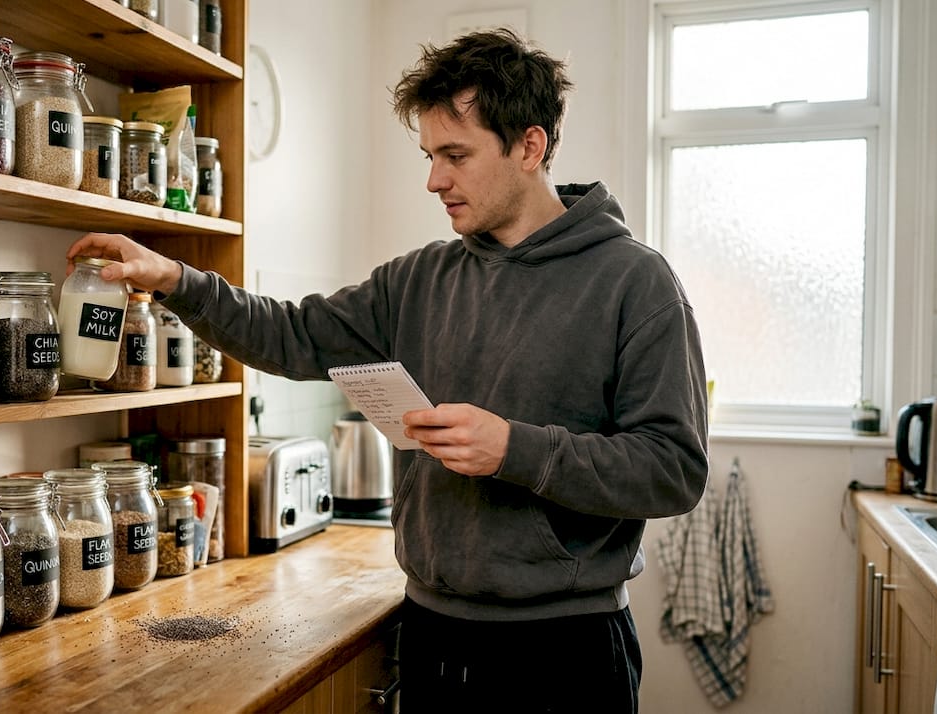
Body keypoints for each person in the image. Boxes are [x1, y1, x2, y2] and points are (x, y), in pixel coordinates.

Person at [67, 28, 708, 713]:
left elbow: (673, 468)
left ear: (530, 146)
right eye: (430, 156)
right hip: (432, 635)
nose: (435, 180)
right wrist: (175, 280)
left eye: (456, 155)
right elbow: (291, 335)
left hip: (565, 653)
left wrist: (514, 449)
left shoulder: (636, 283)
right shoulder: (418, 279)